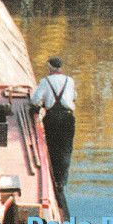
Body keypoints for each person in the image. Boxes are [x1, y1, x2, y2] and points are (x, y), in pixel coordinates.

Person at [31, 56, 76, 195]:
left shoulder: (45, 82)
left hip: (52, 118)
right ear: (61, 67)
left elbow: (35, 101)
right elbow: (74, 97)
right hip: (68, 117)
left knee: (52, 148)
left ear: (50, 68)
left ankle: (52, 179)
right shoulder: (70, 80)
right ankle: (62, 182)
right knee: (66, 149)